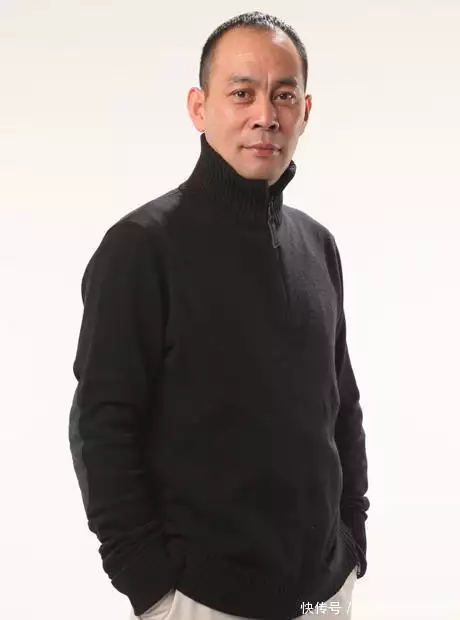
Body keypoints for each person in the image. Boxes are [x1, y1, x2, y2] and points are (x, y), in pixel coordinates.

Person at [69, 10, 370, 620]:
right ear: (199, 108)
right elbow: (102, 428)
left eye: (284, 95)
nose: (266, 115)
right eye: (242, 93)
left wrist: (352, 541)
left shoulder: (318, 245)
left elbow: (341, 406)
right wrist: (152, 587)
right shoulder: (141, 247)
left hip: (324, 594)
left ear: (305, 111)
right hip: (203, 599)